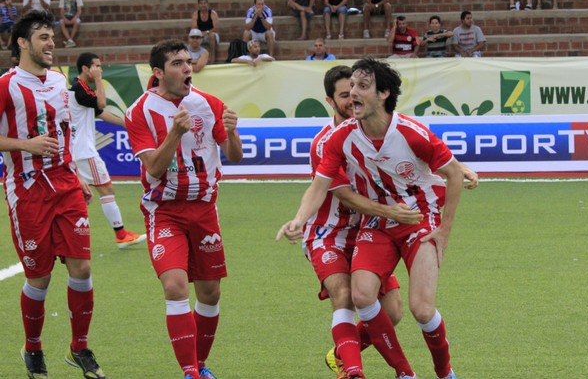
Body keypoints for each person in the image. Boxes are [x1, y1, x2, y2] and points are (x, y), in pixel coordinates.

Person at [277, 57, 465, 379]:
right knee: (360, 294)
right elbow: (319, 186)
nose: (354, 95)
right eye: (351, 88)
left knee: (420, 310)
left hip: (418, 218)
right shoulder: (341, 138)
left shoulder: (410, 132)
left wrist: (444, 231)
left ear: (383, 94)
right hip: (377, 222)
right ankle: (404, 373)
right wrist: (297, 219)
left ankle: (445, 373)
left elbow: (454, 174)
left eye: (362, 87)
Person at [125, 39, 243, 379]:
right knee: (176, 287)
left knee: (210, 292)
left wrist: (232, 133)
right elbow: (154, 169)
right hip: (165, 210)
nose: (187, 68)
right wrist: (175, 133)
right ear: (159, 73)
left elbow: (234, 156)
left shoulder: (208, 103)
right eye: (177, 63)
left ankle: (200, 365)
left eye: (187, 61)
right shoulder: (140, 111)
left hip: (205, 209)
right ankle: (190, 371)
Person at [0, 10, 105, 379]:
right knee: (39, 278)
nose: (52, 43)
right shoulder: (6, 85)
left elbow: (65, 136)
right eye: (44, 37)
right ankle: (33, 350)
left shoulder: (61, 82)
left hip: (64, 184)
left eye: (52, 37)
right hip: (26, 190)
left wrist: (77, 175)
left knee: (82, 268)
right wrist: (24, 144)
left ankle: (79, 347)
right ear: (23, 43)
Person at [304, 65, 421, 379]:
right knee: (343, 294)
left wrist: (459, 169)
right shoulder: (325, 143)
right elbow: (346, 197)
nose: (351, 99)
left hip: (367, 231)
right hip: (328, 232)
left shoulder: (377, 131)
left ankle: (343, 349)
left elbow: (423, 155)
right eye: (344, 95)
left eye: (354, 92)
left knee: (393, 311)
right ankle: (354, 371)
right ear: (330, 100)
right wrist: (392, 212)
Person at [69, 51, 147, 250]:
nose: (100, 70)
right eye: (96, 66)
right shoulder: (80, 88)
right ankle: (121, 235)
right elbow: (102, 103)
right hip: (84, 152)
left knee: (78, 194)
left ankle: (69, 234)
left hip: (78, 152)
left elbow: (101, 113)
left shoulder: (80, 90)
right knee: (106, 189)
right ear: (86, 69)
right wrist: (99, 80)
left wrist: (128, 125)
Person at [190, 0, 219, 64]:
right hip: (200, 34)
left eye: (205, 3)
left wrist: (206, 32)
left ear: (207, 4)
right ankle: (194, 58)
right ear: (198, 5)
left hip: (211, 33)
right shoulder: (195, 14)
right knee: (193, 37)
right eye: (201, 3)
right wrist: (199, 34)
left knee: (212, 35)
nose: (203, 5)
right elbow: (194, 28)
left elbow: (216, 28)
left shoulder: (212, 13)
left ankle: (212, 59)